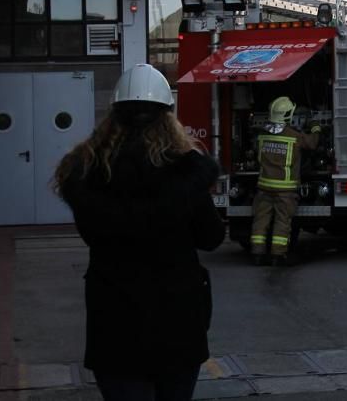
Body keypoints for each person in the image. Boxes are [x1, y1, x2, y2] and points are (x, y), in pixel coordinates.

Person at [54, 64, 225, 401]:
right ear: (168, 118)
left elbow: (91, 235)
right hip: (178, 323)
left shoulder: (88, 174)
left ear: (114, 115)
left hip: (114, 321)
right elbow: (211, 237)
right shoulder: (186, 174)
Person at [250, 96, 320, 266]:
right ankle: (277, 255)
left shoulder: (261, 135)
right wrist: (316, 127)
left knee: (260, 220)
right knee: (282, 222)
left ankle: (257, 254)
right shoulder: (295, 136)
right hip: (285, 190)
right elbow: (312, 144)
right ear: (288, 114)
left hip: (264, 187)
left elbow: (255, 151)